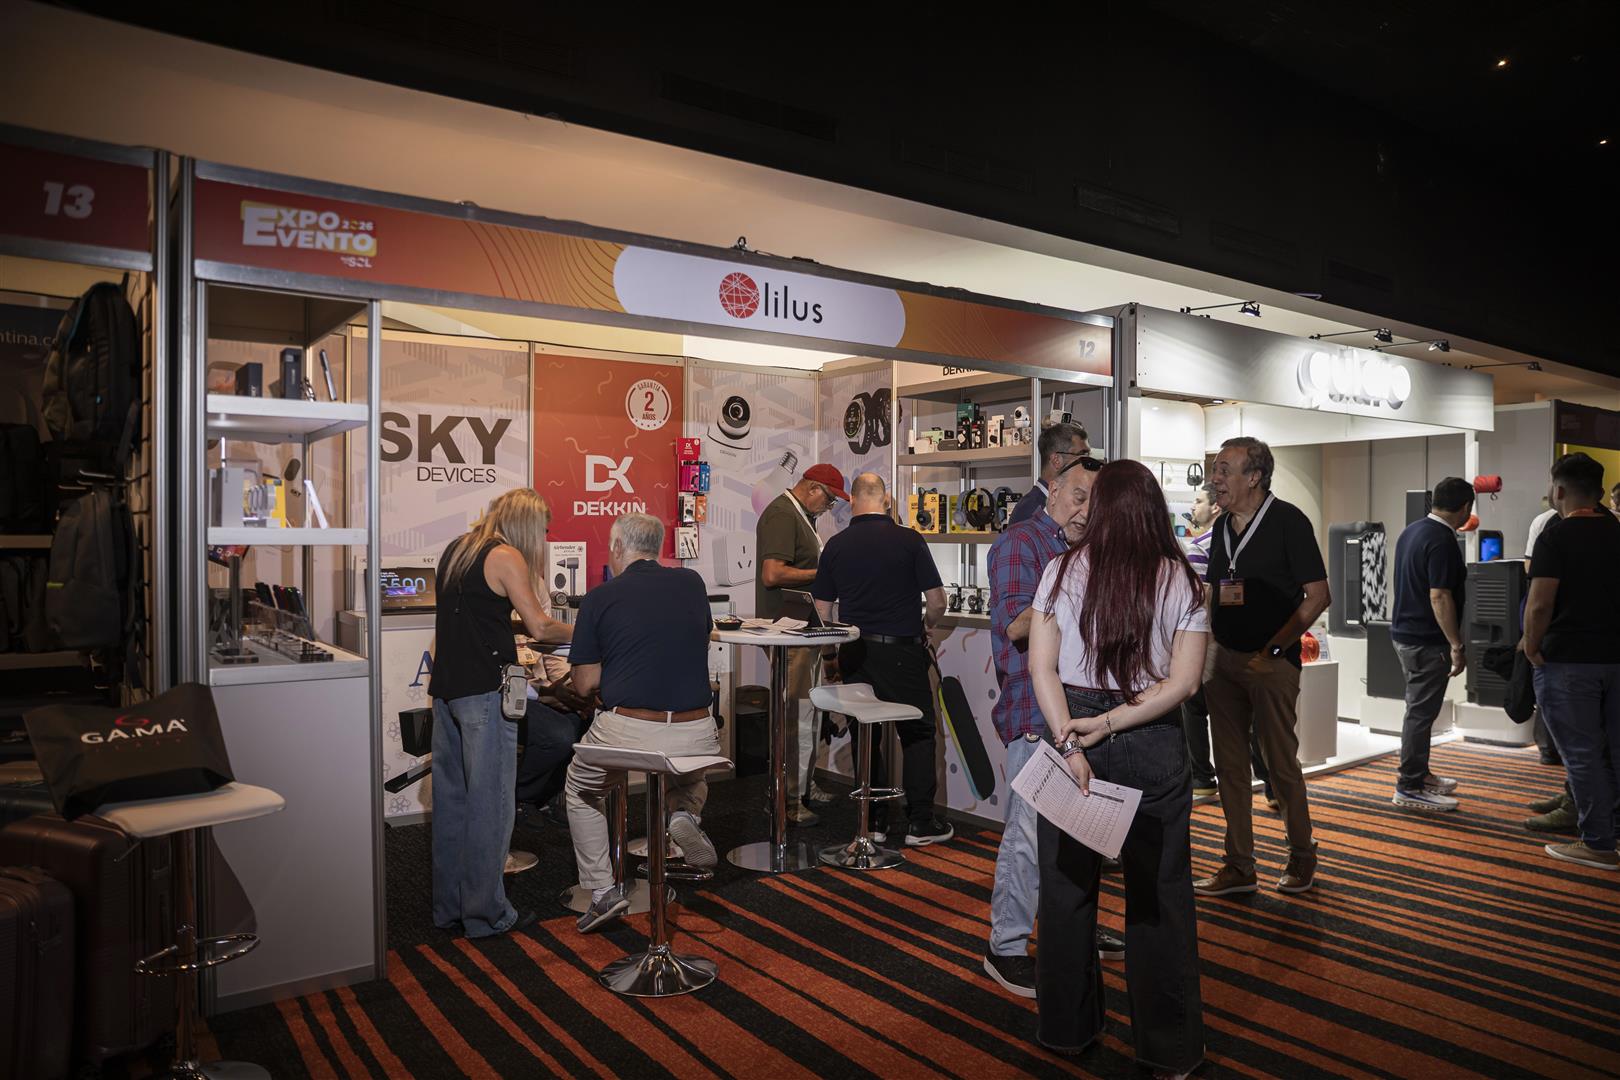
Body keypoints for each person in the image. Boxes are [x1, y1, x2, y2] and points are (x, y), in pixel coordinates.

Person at [1028, 459, 1207, 1077]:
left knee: (1066, 888)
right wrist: (1108, 724)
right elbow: (1183, 684)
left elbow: (1042, 668)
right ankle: (1169, 1050)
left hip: (1074, 729)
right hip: (1150, 737)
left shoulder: (1060, 570)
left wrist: (1071, 741)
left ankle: (1066, 1030)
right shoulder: (1181, 579)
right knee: (1159, 898)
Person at [984, 456, 1126, 998]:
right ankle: (1006, 946)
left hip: (1083, 714)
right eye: (1079, 496)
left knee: (1079, 836)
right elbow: (1015, 625)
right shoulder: (1022, 543)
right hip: (1035, 711)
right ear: (1053, 489)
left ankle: (1072, 930)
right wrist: (1079, 591)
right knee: (1027, 836)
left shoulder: (1085, 550)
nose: (1086, 510)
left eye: (1096, 501)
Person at [565, 513, 724, 930]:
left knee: (581, 789)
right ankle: (683, 815)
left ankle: (603, 891)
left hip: (629, 731)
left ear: (618, 547)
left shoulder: (599, 597)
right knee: (687, 773)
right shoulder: (693, 584)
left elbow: (584, 684)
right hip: (697, 728)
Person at [428, 488, 572, 938]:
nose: (544, 538)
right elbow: (540, 625)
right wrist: (592, 628)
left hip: (446, 691)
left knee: (453, 805)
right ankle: (486, 915)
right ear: (527, 524)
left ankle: (450, 908)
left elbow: (476, 616)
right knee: (491, 805)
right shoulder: (506, 555)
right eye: (543, 529)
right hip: (485, 693)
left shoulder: (458, 550)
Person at [1195, 437, 1330, 897]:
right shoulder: (1220, 526)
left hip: (1271, 662)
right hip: (1224, 663)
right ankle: (1239, 865)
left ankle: (1302, 855)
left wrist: (1273, 651)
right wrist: (1207, 647)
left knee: (1278, 764)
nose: (1215, 479)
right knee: (1230, 768)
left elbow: (1318, 596)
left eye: (1224, 470)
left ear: (1254, 477)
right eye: (1215, 469)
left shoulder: (1289, 521)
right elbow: (1216, 591)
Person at [812, 472, 953, 846]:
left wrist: (831, 657)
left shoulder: (836, 546)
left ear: (853, 500)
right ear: (886, 500)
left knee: (865, 734)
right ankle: (920, 823)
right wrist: (926, 626)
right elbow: (938, 601)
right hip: (903, 650)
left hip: (856, 651)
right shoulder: (910, 540)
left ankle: (872, 821)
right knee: (918, 733)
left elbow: (822, 612)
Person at [1522, 453, 1620, 871]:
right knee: (1613, 752)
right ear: (1599, 491)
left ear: (1558, 490)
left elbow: (1540, 603)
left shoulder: (1555, 536)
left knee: (1582, 755)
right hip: (1615, 656)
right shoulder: (1617, 531)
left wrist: (1530, 645)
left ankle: (1598, 843)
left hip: (1568, 660)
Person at [757, 463, 849, 824]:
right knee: (796, 716)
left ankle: (802, 787)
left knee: (807, 715)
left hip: (801, 630)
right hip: (789, 632)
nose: (829, 507)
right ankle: (788, 797)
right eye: (829, 500)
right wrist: (825, 572)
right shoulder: (783, 514)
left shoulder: (799, 516)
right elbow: (772, 573)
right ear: (812, 488)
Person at [1388, 478, 1475, 812]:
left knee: (1419, 711)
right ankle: (1409, 786)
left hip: (1406, 634)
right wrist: (1456, 644)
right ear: (1465, 508)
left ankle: (1419, 774)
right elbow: (1439, 595)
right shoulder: (1442, 539)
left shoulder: (1412, 531)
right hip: (1426, 640)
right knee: (1420, 714)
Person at [1181, 483, 1219, 797]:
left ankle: (1202, 776)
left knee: (1193, 707)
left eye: (1199, 501)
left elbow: (1198, 599)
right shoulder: (1238, 542)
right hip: (1237, 641)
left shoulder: (1200, 546)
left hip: (1207, 639)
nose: (1194, 507)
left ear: (1215, 507)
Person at [1007, 421, 1090, 527]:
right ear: (1056, 460)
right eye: (1082, 455)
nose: (1089, 462)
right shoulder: (1030, 512)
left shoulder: (1056, 504)